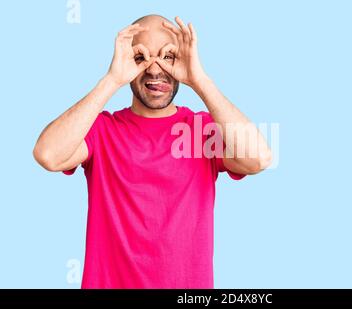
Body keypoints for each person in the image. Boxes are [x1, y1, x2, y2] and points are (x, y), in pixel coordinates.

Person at [33, 14, 272, 289]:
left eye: (168, 57)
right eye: (141, 58)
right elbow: (47, 154)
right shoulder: (102, 131)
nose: (154, 69)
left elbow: (258, 158)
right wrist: (111, 80)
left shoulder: (200, 132)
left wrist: (200, 80)